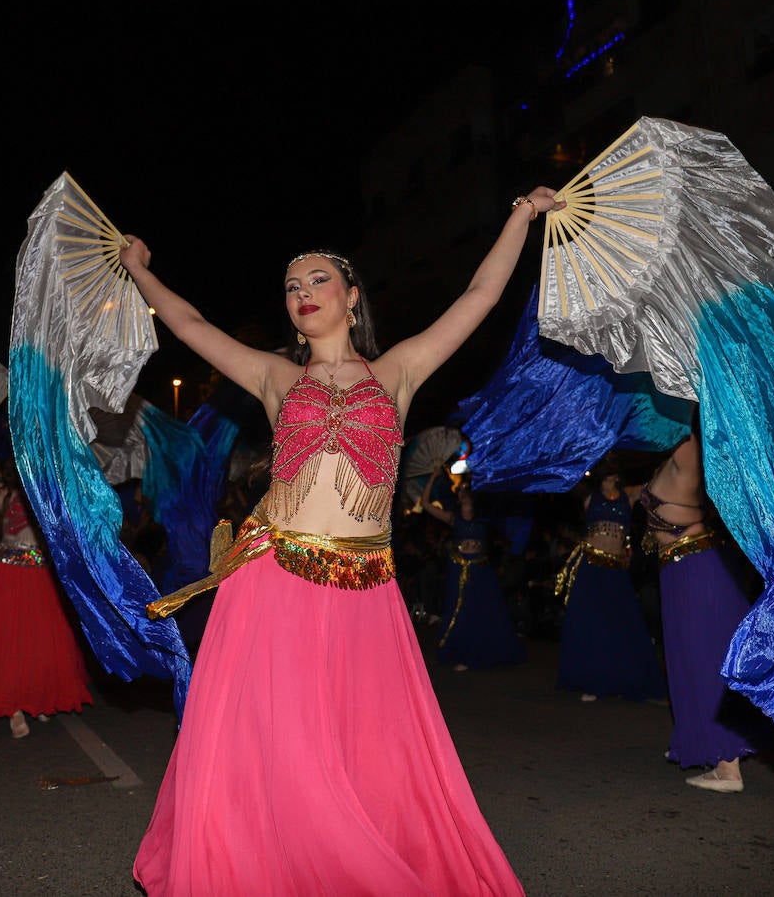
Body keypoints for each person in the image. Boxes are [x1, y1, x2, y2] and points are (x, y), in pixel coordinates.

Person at [124, 185, 561, 896]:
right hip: (275, 578)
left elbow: (480, 295)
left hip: (365, 587)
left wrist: (522, 214)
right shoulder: (274, 376)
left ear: (352, 297)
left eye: (317, 280)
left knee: (367, 747)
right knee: (283, 745)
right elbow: (189, 322)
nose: (302, 293)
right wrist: (140, 270)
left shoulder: (398, 371)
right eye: (292, 286)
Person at [0, 421, 95, 738]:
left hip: (41, 575)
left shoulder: (51, 495)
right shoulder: (3, 493)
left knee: (40, 641)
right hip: (7, 574)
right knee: (9, 640)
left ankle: (37, 696)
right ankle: (14, 707)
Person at [639, 431, 772, 794]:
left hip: (696, 568)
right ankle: (700, 743)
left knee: (706, 660)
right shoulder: (673, 453)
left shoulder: (689, 446)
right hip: (680, 570)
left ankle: (728, 769)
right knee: (686, 662)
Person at [554, 466, 667, 703]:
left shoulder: (629, 494)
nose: (612, 472)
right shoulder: (589, 495)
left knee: (622, 622)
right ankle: (593, 681)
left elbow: (657, 482)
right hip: (591, 567)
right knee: (593, 624)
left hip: (616, 569)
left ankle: (625, 679)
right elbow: (564, 475)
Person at [418, 468, 526, 672]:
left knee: (482, 610)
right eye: (460, 490)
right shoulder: (453, 517)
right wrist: (432, 477)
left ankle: (482, 652)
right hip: (458, 568)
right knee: (459, 610)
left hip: (480, 569)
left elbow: (504, 501)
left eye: (465, 489)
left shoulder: (484, 516)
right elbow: (424, 503)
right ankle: (461, 653)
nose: (461, 492)